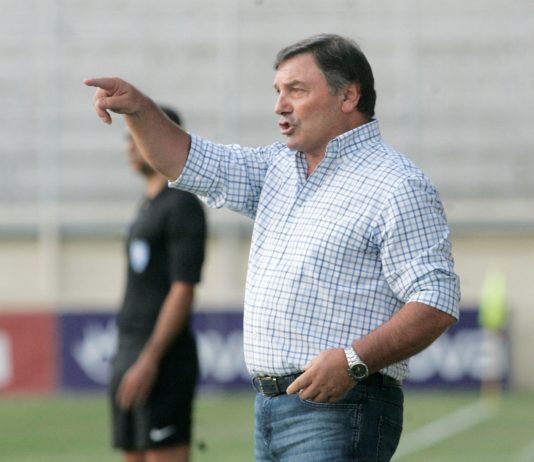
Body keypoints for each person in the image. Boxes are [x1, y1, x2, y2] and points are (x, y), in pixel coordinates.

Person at [85, 33, 460, 462]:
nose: (280, 105)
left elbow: (436, 299)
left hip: (341, 406)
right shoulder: (278, 167)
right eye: (278, 91)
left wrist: (354, 361)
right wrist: (138, 109)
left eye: (296, 90)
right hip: (269, 407)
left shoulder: (397, 185)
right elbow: (185, 160)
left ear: (348, 96)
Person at [109, 106, 206, 462]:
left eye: (138, 136)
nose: (130, 145)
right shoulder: (147, 206)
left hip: (162, 356)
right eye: (128, 138)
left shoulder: (182, 204)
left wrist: (150, 359)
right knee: (132, 452)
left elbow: (183, 288)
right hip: (129, 348)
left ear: (165, 140)